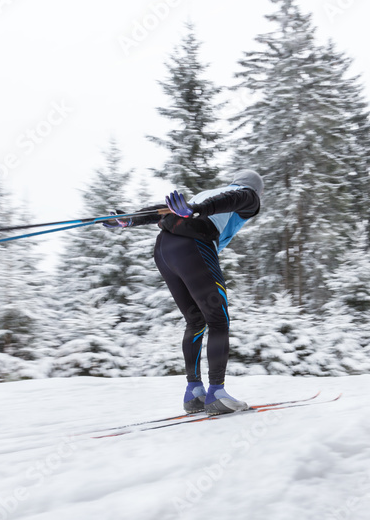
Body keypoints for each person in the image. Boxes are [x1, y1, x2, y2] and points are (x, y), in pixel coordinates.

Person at [106, 170, 264, 415]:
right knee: (218, 321)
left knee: (196, 320)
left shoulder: (206, 194)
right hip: (194, 246)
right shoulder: (247, 195)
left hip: (165, 250)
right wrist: (198, 210)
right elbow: (233, 200)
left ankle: (194, 392)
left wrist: (130, 220)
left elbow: (165, 209)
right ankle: (217, 394)